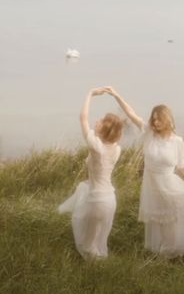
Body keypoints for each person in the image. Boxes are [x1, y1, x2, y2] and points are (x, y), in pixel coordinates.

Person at [105, 87, 184, 258]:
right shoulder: (149, 133)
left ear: (167, 119)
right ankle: (165, 253)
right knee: (160, 221)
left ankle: (177, 252)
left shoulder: (177, 141)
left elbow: (181, 165)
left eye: (159, 119)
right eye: (154, 119)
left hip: (170, 184)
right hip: (153, 187)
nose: (155, 122)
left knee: (175, 218)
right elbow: (131, 114)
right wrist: (116, 95)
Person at [58, 87, 123, 260]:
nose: (98, 120)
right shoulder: (117, 149)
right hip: (110, 199)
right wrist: (99, 131)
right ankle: (98, 266)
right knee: (97, 239)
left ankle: (96, 271)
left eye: (102, 121)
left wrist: (90, 93)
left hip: (97, 201)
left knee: (88, 245)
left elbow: (83, 118)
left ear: (103, 129)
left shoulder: (97, 148)